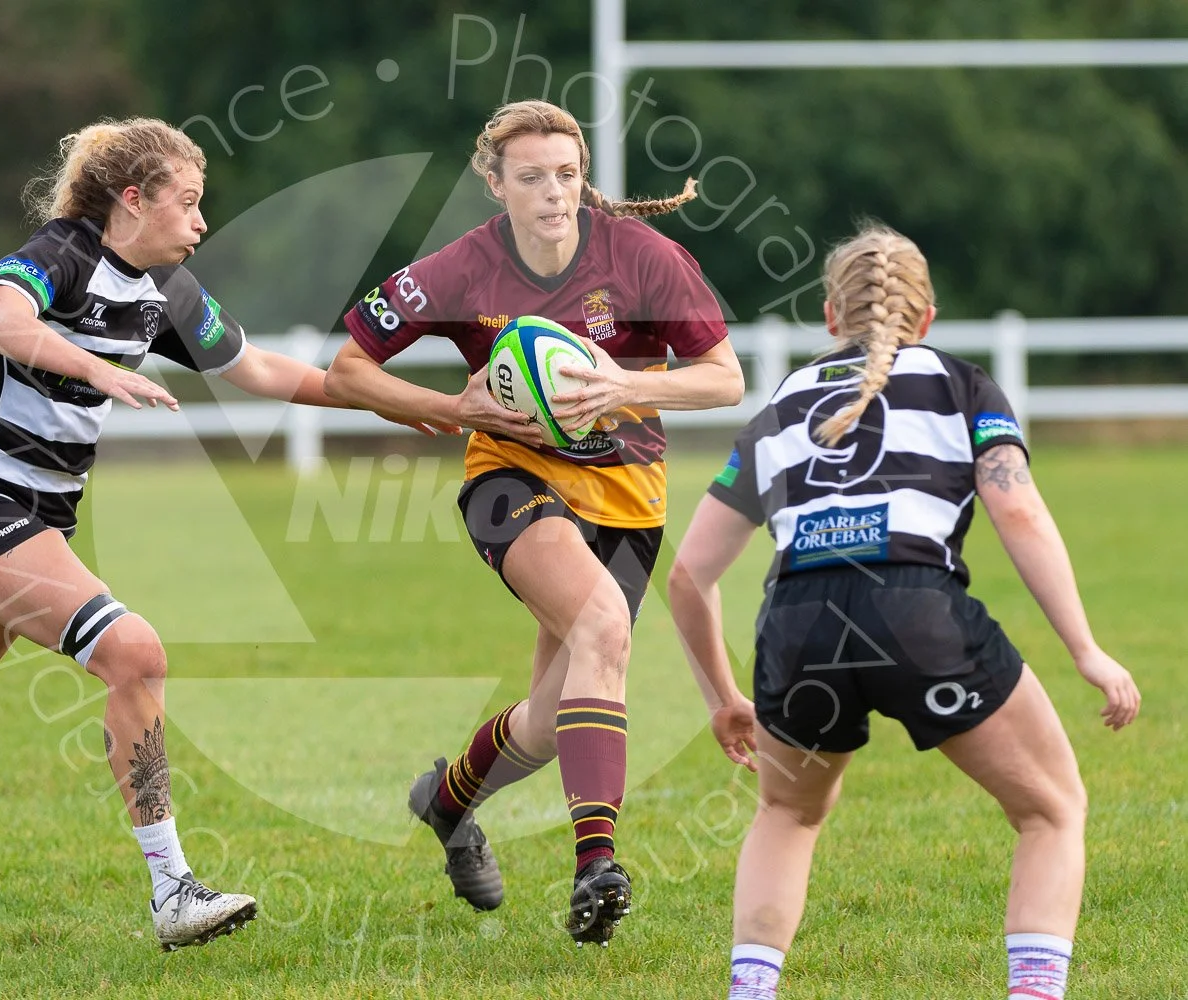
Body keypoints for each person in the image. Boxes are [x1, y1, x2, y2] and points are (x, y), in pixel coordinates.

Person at [0, 117, 448, 951]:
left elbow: (262, 370)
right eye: (186, 204)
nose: (199, 223)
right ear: (132, 199)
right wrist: (97, 367)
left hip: (37, 518)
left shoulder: (169, 291)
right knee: (133, 652)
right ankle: (172, 890)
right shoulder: (64, 253)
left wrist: (409, 402)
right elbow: (1, 321)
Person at [667, 223, 1141, 998]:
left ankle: (750, 991)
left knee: (787, 817)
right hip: (915, 612)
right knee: (1052, 810)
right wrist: (1085, 648)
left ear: (829, 317)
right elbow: (1018, 515)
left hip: (796, 624)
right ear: (926, 318)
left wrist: (724, 698)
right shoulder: (961, 385)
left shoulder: (780, 407)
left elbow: (688, 575)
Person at [324, 99, 744, 946]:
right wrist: (450, 406)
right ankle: (598, 865)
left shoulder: (643, 256)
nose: (554, 193)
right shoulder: (458, 269)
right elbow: (346, 370)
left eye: (566, 174)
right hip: (510, 478)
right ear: (494, 183)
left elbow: (724, 378)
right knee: (601, 625)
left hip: (629, 495)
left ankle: (447, 803)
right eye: (531, 177)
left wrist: (628, 387)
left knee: (554, 721)